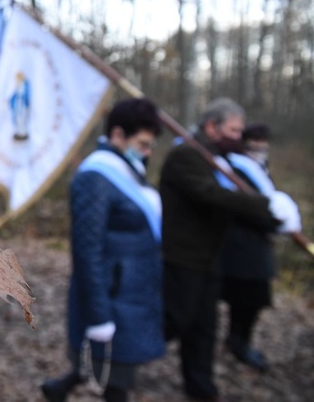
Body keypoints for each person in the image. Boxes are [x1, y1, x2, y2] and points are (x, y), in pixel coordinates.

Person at [160, 98, 295, 401]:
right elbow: (213, 195)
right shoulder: (186, 156)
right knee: (174, 322)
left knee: (204, 328)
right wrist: (266, 205)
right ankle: (116, 359)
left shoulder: (218, 158)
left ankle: (201, 389)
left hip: (210, 258)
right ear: (212, 126)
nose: (239, 136)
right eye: (233, 129)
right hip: (184, 257)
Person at [41, 98, 165, 402]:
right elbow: (87, 250)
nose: (147, 152)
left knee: (111, 366)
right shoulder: (95, 177)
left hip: (131, 293)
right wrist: (98, 315)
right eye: (143, 143)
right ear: (118, 134)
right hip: (111, 296)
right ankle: (62, 386)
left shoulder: (129, 167)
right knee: (115, 379)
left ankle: (60, 388)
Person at [220, 124, 300, 371]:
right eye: (255, 142)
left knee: (254, 299)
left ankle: (242, 340)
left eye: (263, 142)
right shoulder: (235, 168)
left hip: (258, 243)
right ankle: (237, 341)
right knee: (243, 298)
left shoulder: (260, 168)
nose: (260, 147)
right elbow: (244, 205)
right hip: (241, 243)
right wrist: (272, 220)